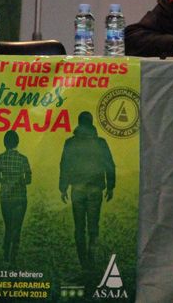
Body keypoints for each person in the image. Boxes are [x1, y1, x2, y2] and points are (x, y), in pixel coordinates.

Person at [58, 111, 116, 271]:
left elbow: (64, 165)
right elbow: (109, 164)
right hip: (95, 189)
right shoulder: (101, 143)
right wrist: (110, 186)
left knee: (79, 227)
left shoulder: (70, 143)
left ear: (79, 123)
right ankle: (92, 259)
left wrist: (63, 188)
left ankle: (83, 263)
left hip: (77, 189)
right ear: (91, 123)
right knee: (93, 226)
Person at [0, 130, 31, 263]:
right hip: (20, 197)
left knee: (8, 226)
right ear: (17, 142)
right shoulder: (23, 159)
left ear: (5, 143)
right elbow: (28, 180)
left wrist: (5, 180)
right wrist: (20, 181)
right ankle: (14, 257)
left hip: (6, 197)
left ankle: (5, 256)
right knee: (17, 227)